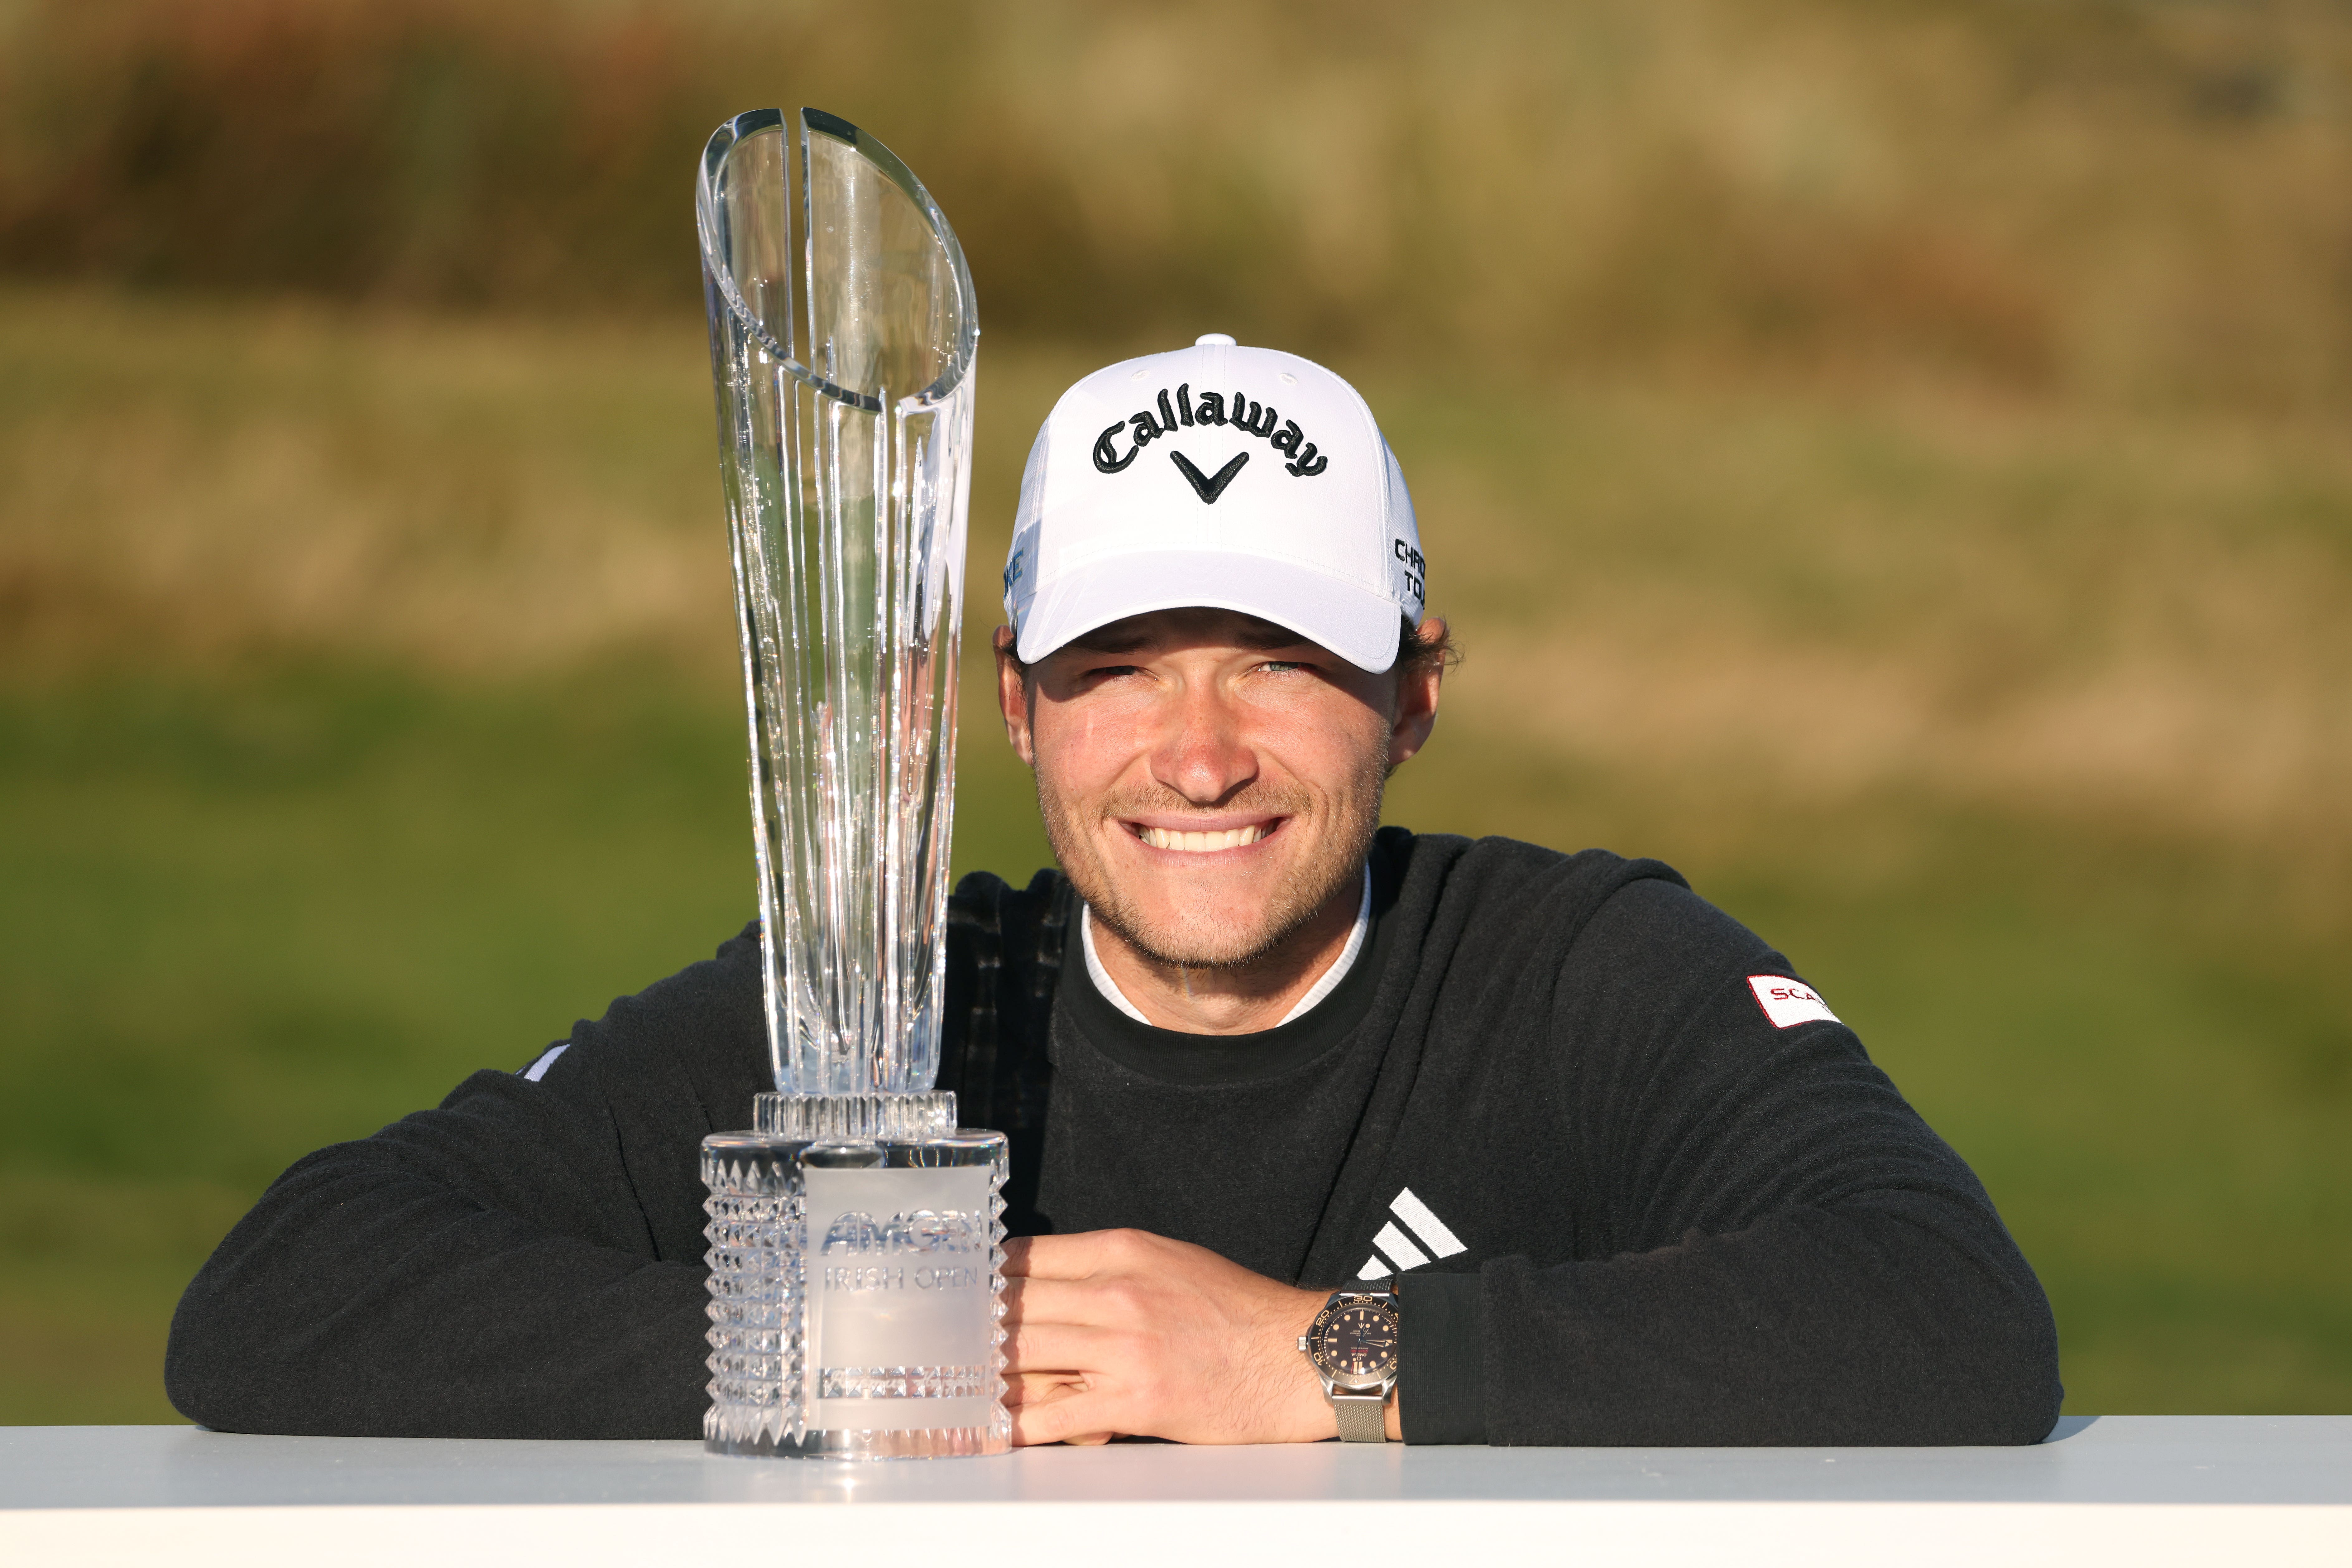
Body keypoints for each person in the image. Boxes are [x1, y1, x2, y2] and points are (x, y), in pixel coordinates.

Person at [166, 335, 2062, 1447]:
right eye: (1123, 666)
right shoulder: (899, 992)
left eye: (1281, 660)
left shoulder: (1574, 970)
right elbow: (282, 1292)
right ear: (1016, 706)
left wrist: (1314, 1358)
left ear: (1414, 691)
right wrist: (865, 1344)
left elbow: (1948, 1308)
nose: (1203, 749)